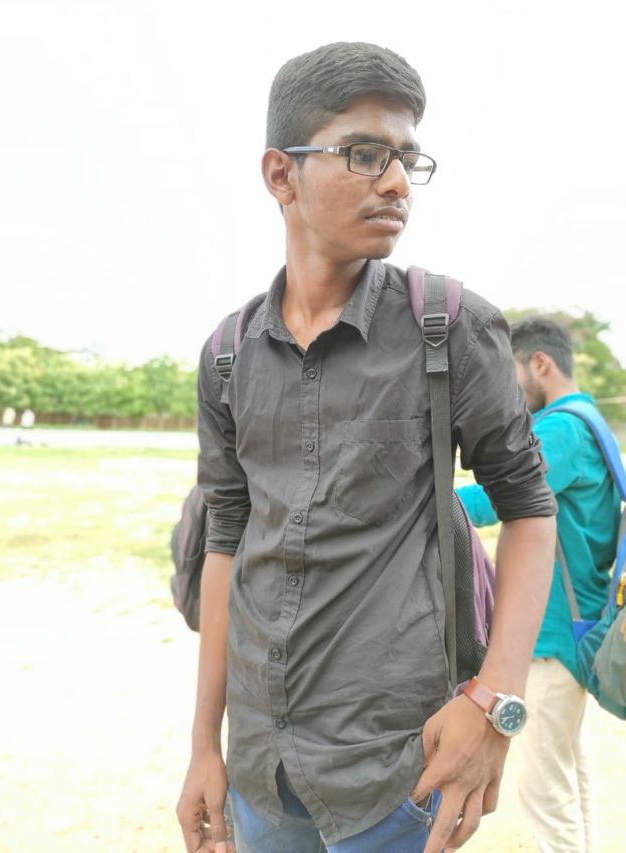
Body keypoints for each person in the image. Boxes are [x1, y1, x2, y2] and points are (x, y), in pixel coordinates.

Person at [177, 42, 557, 853]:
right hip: (262, 772)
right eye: (364, 153)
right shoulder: (227, 355)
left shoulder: (450, 327)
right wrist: (205, 744)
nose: (396, 183)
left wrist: (495, 703)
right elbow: (226, 542)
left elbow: (529, 507)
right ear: (281, 174)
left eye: (407, 160)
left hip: (397, 770)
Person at [458, 317, 620, 853]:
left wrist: (420, 504)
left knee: (544, 791)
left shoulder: (561, 430)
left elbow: (495, 500)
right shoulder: (592, 422)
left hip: (552, 636)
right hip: (580, 627)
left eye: (510, 373)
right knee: (569, 777)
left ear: (539, 364)